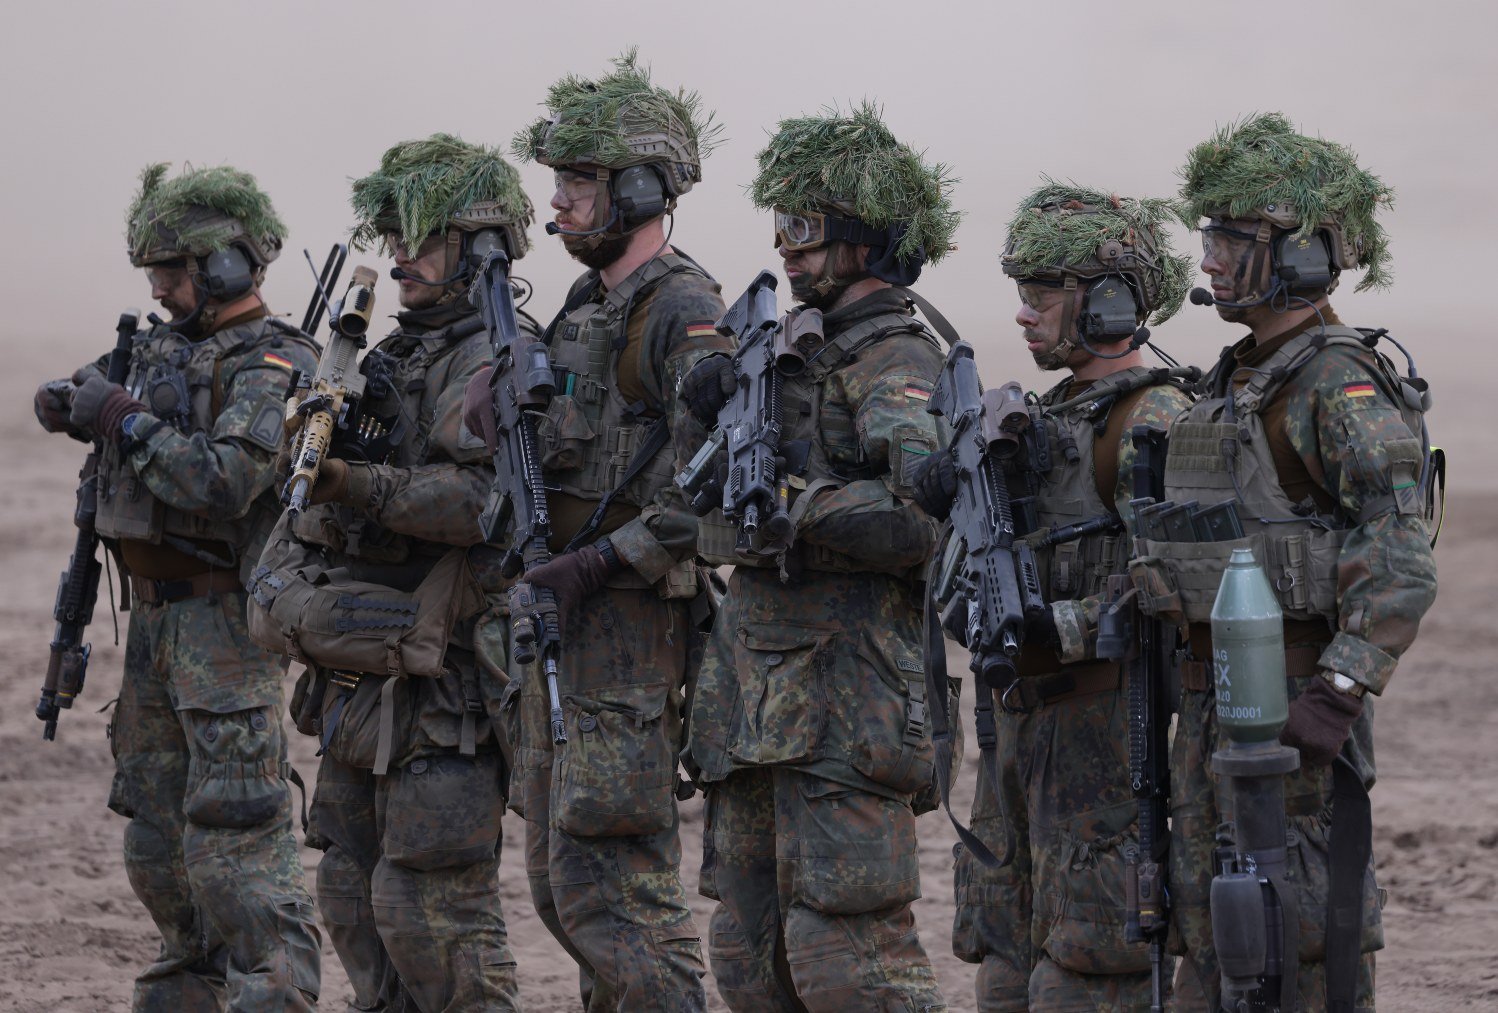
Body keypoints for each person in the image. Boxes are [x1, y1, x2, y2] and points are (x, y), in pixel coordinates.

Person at [1156, 112, 1439, 1010]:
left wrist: (1339, 690)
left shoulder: (1335, 380)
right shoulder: (1241, 378)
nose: (1208, 263)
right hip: (1217, 710)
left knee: (1303, 941)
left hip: (1294, 716)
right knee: (1216, 947)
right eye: (1209, 239)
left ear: (1303, 259)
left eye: (1232, 242)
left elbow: (1401, 555)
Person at [680, 101, 958, 1012]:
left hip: (850, 698)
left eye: (808, 233)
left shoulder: (893, 357)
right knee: (747, 941)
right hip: (758, 696)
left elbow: (926, 517)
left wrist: (796, 504)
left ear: (865, 243)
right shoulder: (793, 347)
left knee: (849, 947)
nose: (788, 252)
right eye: (782, 232)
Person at [249, 134, 536, 1011]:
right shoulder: (392, 354)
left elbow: (480, 503)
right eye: (395, 237)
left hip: (443, 682)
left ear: (479, 248)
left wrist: (354, 480)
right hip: (362, 677)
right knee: (349, 888)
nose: (400, 257)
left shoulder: (495, 356)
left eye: (423, 238)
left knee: (432, 909)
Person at [470, 49, 730, 1012]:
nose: (558, 205)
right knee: (558, 879)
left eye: (578, 182)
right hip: (561, 618)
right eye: (558, 182)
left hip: (626, 630)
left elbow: (713, 495)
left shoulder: (684, 311)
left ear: (636, 187)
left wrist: (595, 564)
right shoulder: (587, 302)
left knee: (617, 891)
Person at [33, 163, 322, 1009]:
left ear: (228, 267)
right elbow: (79, 392)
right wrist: (69, 400)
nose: (159, 290)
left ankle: (273, 991)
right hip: (156, 631)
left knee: (239, 841)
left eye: (173, 271)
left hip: (225, 627)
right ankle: (188, 984)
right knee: (157, 838)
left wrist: (123, 418)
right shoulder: (168, 343)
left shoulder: (275, 360)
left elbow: (225, 479)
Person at [911, 183, 1196, 1011]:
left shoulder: (1157, 418)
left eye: (1044, 294)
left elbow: (1184, 580)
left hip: (1107, 738)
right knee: (1003, 965)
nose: (1026, 315)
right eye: (1022, 294)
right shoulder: (1047, 418)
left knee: (1092, 969)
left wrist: (1054, 625)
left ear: (1106, 301)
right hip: (1021, 732)